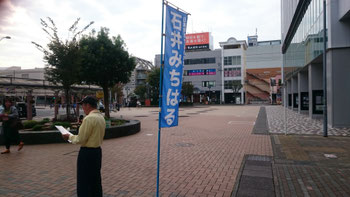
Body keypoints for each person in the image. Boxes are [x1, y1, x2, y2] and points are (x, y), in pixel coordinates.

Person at [62, 96, 105, 197]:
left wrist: (69, 136)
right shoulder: (101, 117)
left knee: (84, 181)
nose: (83, 108)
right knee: (95, 179)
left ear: (88, 105)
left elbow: (80, 139)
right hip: (97, 152)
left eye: (83, 106)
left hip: (87, 153)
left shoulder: (89, 118)